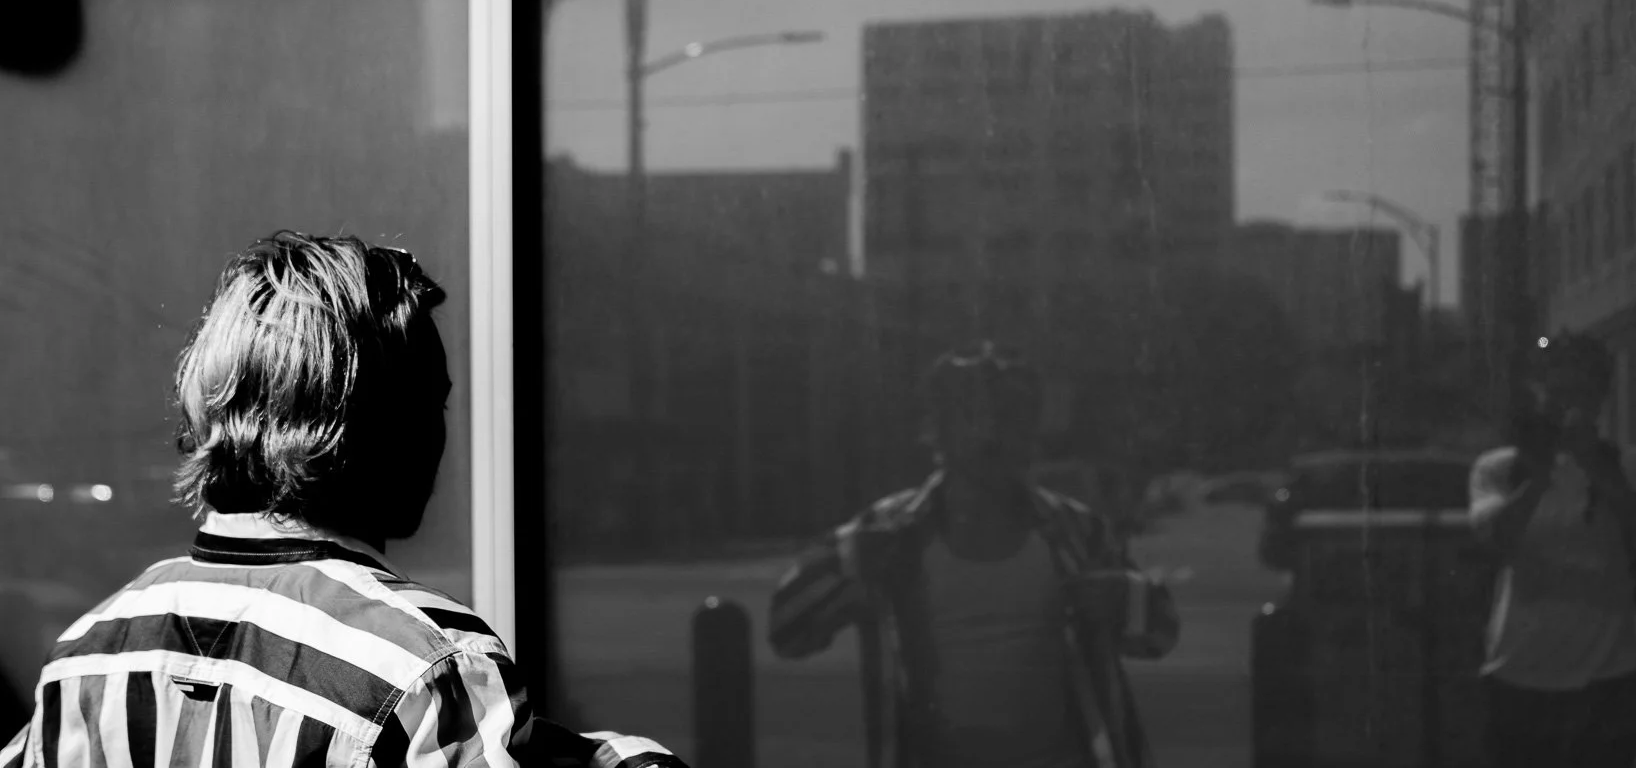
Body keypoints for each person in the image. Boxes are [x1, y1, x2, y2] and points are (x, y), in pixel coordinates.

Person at [0, 232, 688, 768]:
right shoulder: (429, 665)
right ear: (377, 423)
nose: (441, 435)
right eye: (433, 403)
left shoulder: (89, 653)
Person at [768, 341, 1177, 768]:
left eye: (1010, 414)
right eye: (971, 412)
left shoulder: (1079, 532)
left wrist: (1126, 597)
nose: (991, 431)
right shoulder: (886, 532)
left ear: (1033, 430)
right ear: (936, 429)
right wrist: (845, 568)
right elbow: (787, 631)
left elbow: (1161, 636)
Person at [1467, 331, 1636, 768]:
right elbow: (1495, 543)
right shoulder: (1500, 468)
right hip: (1518, 671)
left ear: (1600, 398)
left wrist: (1596, 466)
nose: (1566, 406)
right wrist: (1538, 475)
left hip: (1606, 677)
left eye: (1579, 394)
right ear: (1538, 396)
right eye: (1556, 393)